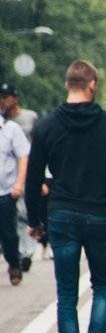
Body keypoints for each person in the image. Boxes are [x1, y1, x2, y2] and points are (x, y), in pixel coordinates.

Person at [25, 60, 106, 333]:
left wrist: (35, 219)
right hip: (99, 212)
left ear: (67, 84)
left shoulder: (46, 127)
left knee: (67, 291)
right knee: (102, 285)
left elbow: (32, 178)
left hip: (62, 213)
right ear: (92, 84)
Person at [1, 84, 40, 270]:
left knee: (24, 213)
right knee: (10, 220)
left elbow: (37, 148)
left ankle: (25, 252)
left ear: (15, 98)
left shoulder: (29, 117)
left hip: (25, 171)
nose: (5, 100)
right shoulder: (4, 121)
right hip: (8, 174)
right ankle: (14, 253)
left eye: (8, 97)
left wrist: (40, 176)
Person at [0, 89, 31, 285]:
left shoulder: (10, 129)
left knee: (9, 235)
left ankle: (14, 263)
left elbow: (23, 157)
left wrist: (19, 184)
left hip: (5, 191)